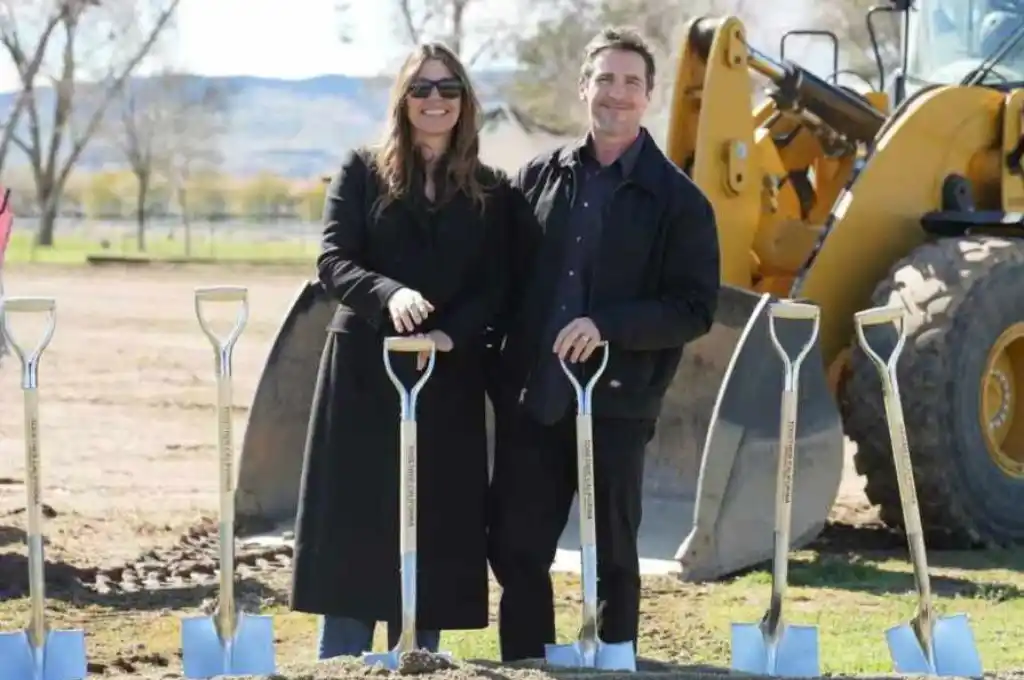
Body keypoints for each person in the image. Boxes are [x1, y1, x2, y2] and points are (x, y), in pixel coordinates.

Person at [485, 26, 721, 661]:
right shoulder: (539, 176)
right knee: (516, 546)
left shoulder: (680, 201)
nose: (616, 93)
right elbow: (501, 278)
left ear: (648, 97)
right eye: (605, 79)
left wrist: (608, 325)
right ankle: (530, 662)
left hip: (616, 402)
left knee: (613, 547)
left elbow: (695, 308)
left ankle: (614, 659)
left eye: (631, 82)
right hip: (536, 396)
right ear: (584, 87)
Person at [289, 41, 517, 659]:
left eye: (448, 88)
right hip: (365, 371)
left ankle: (418, 659)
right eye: (422, 88)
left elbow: (499, 284)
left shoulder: (491, 190)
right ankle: (341, 663)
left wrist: (451, 334)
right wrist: (387, 296)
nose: (435, 99)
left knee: (434, 523)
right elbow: (333, 259)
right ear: (403, 99)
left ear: (465, 101)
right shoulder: (362, 170)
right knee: (356, 525)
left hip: (444, 378)